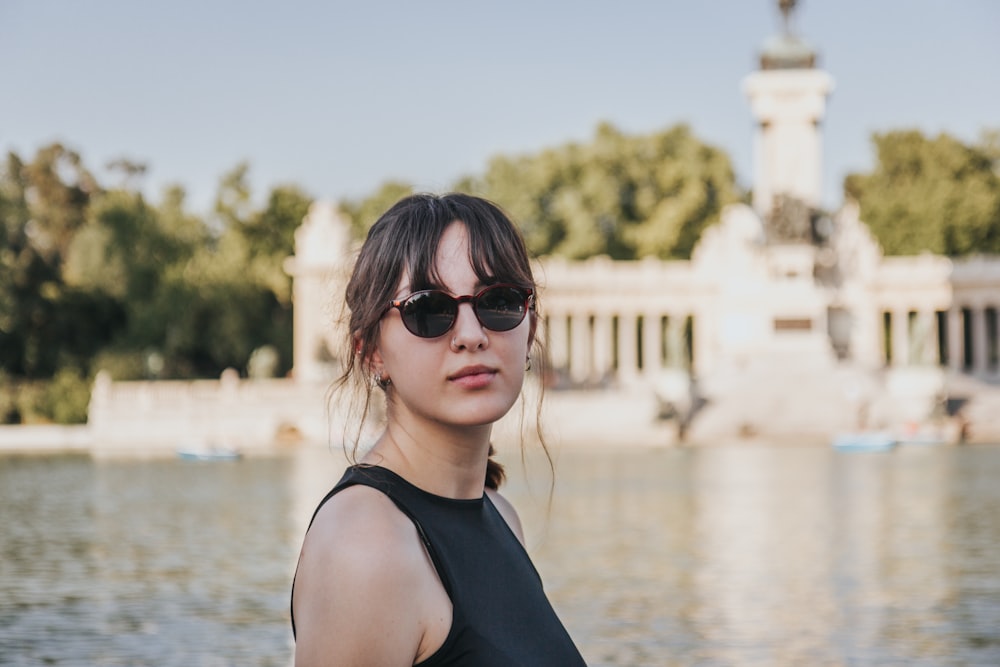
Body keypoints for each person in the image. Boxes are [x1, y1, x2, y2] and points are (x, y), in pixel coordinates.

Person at [290, 193, 587, 666]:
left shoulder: (500, 512)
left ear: (529, 330)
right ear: (372, 352)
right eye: (428, 309)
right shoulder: (365, 544)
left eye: (499, 301)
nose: (471, 334)